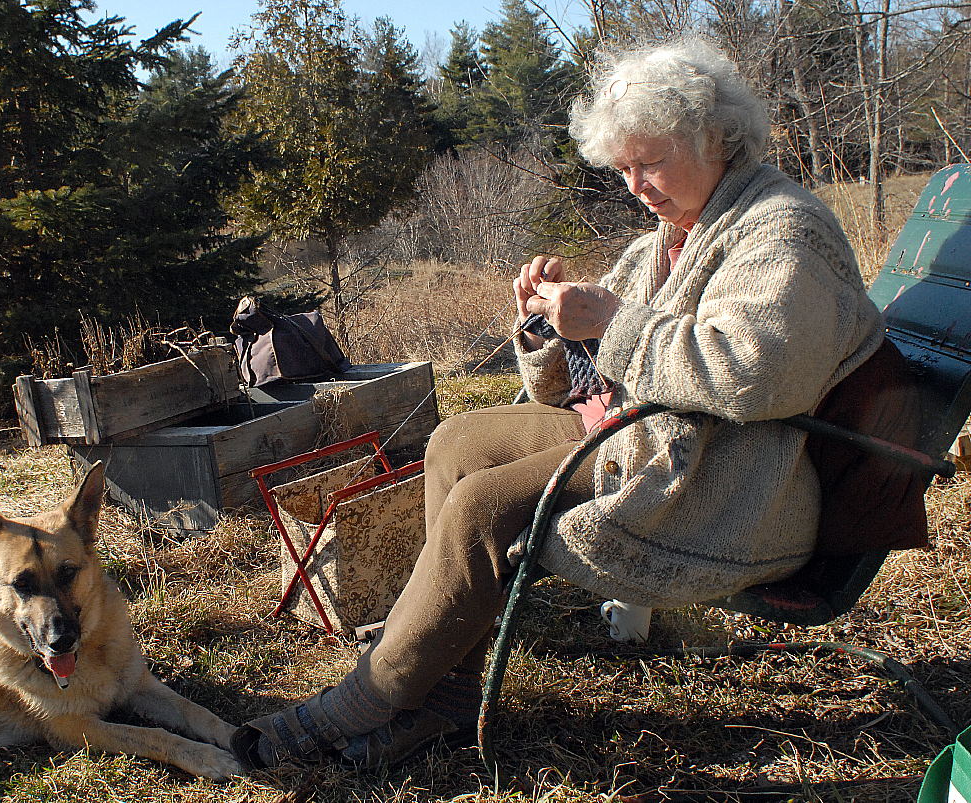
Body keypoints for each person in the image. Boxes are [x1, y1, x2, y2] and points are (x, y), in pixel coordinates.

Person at [230, 36, 884, 770]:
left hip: (730, 490)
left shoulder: (783, 232)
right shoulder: (669, 238)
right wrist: (547, 328)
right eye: (624, 166)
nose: (636, 183)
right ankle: (446, 694)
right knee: (456, 442)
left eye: (651, 160)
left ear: (714, 136)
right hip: (653, 444)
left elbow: (756, 377)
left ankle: (368, 695)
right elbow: (579, 382)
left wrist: (610, 323)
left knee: (482, 505)